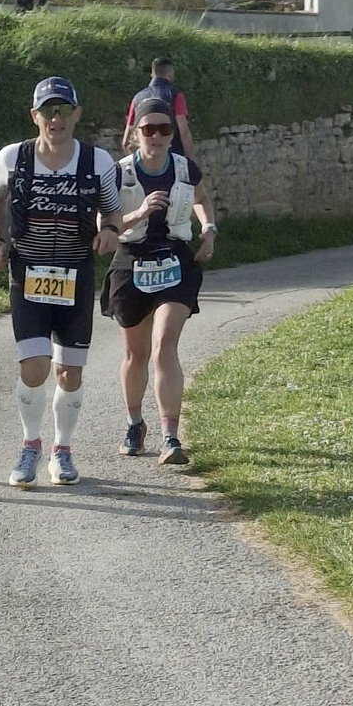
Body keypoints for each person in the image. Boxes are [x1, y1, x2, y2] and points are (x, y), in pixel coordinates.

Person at [0, 76, 123, 487]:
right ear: (35, 115)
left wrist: (110, 231)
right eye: (48, 110)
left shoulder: (98, 162)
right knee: (34, 366)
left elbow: (112, 211)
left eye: (63, 109)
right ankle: (30, 445)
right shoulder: (13, 158)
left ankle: (62, 450)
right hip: (27, 272)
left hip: (76, 273)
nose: (55, 118)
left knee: (69, 373)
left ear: (77, 114)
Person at [102, 96, 217, 464]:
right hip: (131, 260)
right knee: (136, 353)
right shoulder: (118, 173)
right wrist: (139, 212)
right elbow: (104, 225)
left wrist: (208, 229)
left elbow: (201, 198)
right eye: (148, 129)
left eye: (164, 128)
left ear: (171, 134)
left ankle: (171, 437)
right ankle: (135, 424)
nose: (156, 136)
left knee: (165, 343)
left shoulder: (185, 168)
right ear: (136, 134)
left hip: (174, 260)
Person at [122, 56, 194, 157]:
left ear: (152, 74)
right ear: (170, 73)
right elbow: (184, 132)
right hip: (171, 155)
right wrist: (190, 161)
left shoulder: (137, 98)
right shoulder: (175, 95)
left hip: (146, 157)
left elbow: (126, 141)